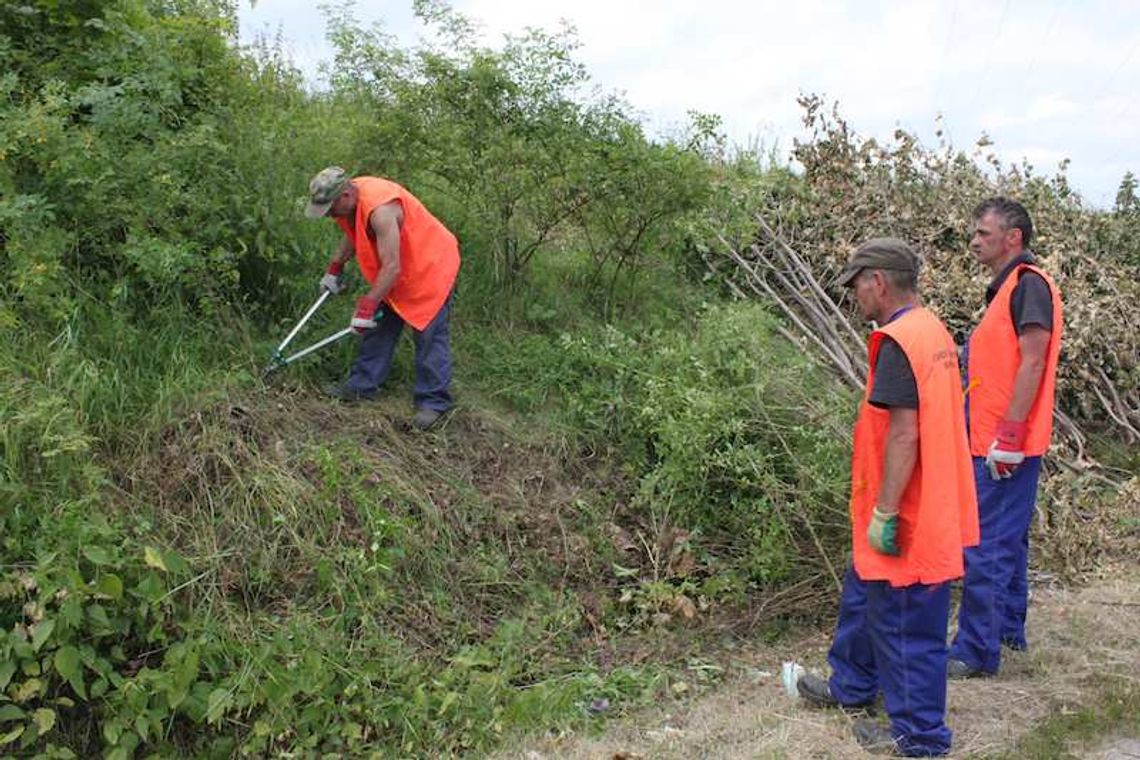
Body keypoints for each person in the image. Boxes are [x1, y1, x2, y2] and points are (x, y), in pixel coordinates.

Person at [795, 238, 979, 757]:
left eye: (856, 284)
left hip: (911, 514)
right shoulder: (932, 330)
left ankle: (921, 738)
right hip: (935, 503)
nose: (854, 294)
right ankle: (862, 692)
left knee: (906, 630)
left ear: (878, 280)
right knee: (879, 608)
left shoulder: (898, 340)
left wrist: (887, 511)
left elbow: (904, 433)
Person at [948, 197, 1063, 678]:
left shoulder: (1027, 286)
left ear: (1013, 238)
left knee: (988, 544)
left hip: (1005, 442)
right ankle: (1008, 631)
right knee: (1008, 542)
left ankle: (975, 651)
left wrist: (1010, 436)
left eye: (983, 233)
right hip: (997, 438)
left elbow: (1033, 361)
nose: (974, 241)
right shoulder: (1008, 289)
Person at [304, 166, 460, 430]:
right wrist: (335, 266)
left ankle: (433, 402)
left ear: (344, 196)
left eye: (330, 208)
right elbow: (354, 233)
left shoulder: (382, 210)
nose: (329, 215)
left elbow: (391, 267)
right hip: (400, 270)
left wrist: (367, 304)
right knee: (379, 327)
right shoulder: (353, 200)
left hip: (430, 266)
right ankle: (361, 386)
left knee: (429, 335)